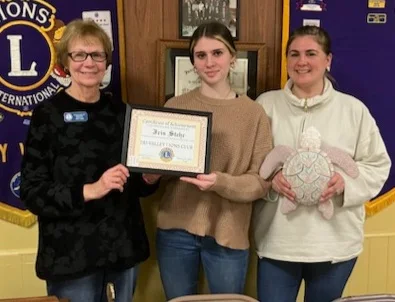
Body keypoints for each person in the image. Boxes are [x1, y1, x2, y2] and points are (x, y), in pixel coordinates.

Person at [20, 19, 159, 302]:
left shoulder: (122, 112)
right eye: (79, 54)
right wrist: (90, 190)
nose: (89, 63)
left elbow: (134, 185)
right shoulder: (48, 115)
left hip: (122, 247)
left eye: (97, 55)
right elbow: (32, 191)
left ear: (107, 62)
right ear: (65, 62)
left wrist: (149, 178)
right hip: (71, 255)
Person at [253, 25, 391, 302]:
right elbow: (252, 163)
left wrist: (345, 184)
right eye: (294, 54)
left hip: (334, 245)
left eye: (311, 53)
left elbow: (378, 165)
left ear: (328, 60)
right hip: (278, 242)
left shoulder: (353, 110)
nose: (301, 62)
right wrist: (270, 181)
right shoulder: (265, 106)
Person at [144, 21, 272, 300]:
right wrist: (150, 173)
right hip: (175, 230)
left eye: (217, 53)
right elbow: (162, 163)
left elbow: (260, 183)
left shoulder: (255, 114)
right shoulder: (175, 107)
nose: (210, 62)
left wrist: (220, 183)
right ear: (193, 63)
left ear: (232, 58)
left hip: (228, 231)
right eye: (201, 55)